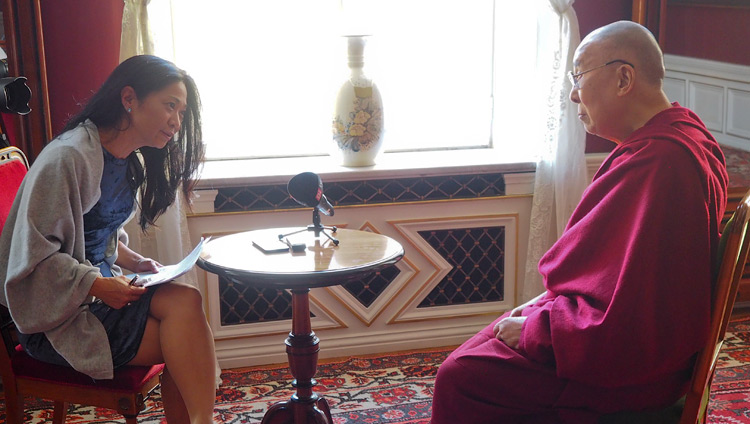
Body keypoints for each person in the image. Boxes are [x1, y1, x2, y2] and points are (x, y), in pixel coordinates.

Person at [430, 21, 728, 424]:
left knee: (459, 377)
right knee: (495, 336)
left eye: (579, 75)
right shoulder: (684, 134)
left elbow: (632, 318)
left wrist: (543, 331)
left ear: (623, 78)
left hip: (634, 375)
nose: (573, 93)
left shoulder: (662, 163)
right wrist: (543, 310)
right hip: (630, 346)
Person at [0, 55, 217, 424]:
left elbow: (95, 232)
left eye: (181, 111)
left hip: (97, 296)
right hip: (57, 317)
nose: (177, 122)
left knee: (186, 303)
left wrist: (134, 263)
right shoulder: (68, 159)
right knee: (182, 337)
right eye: (170, 106)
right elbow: (33, 259)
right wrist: (99, 285)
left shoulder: (125, 159)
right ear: (129, 98)